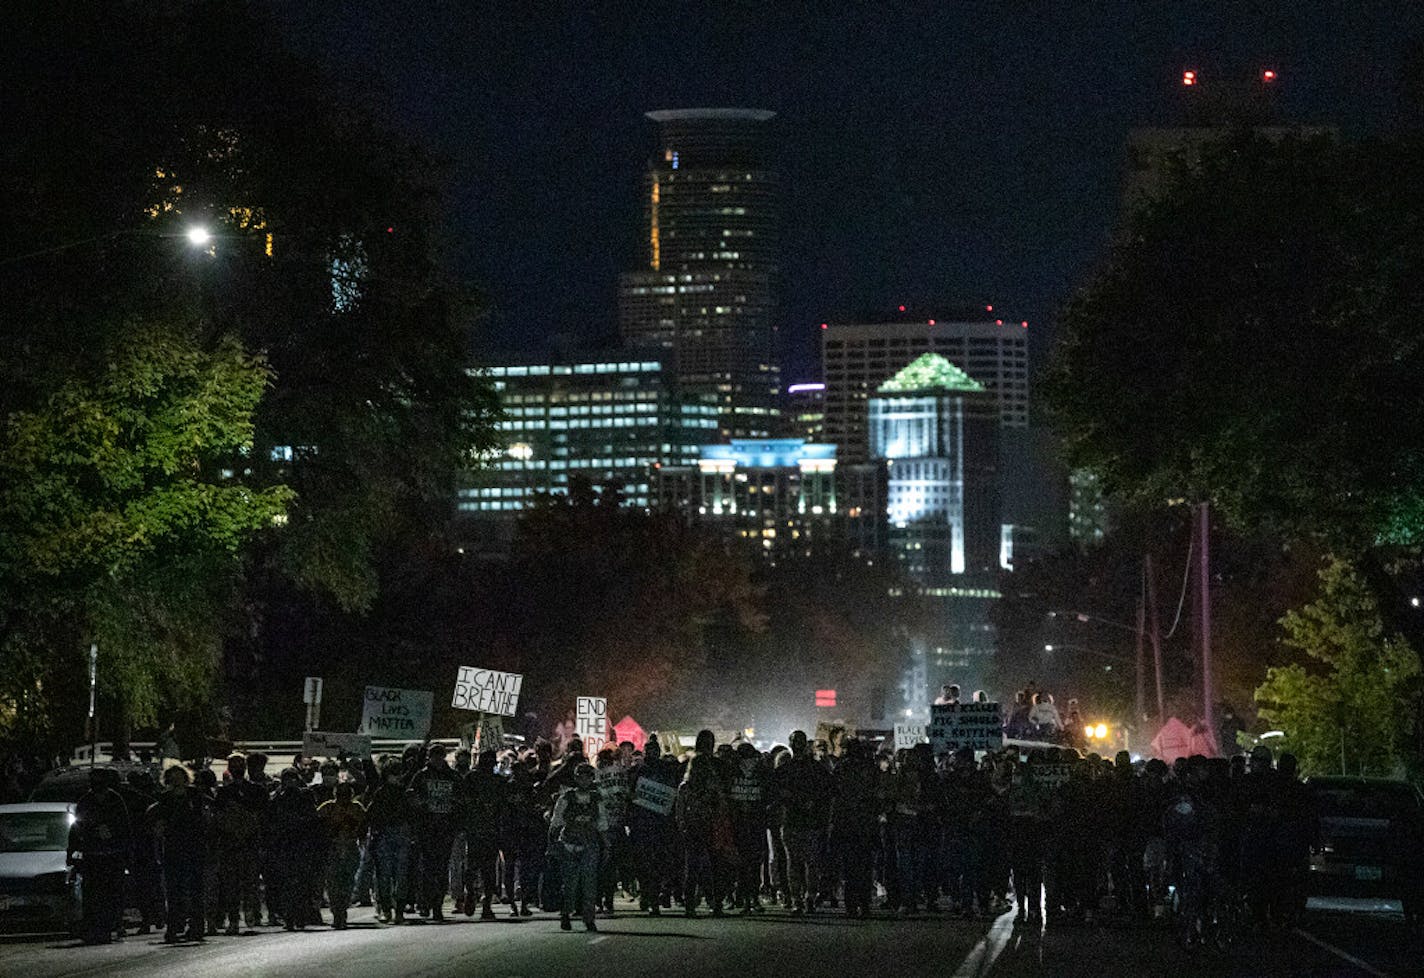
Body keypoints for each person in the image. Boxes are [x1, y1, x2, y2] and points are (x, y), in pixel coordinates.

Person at [148, 765, 211, 943]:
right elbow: (158, 822)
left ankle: (196, 926)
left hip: (194, 848)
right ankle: (174, 926)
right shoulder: (165, 799)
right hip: (173, 849)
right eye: (172, 777)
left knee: (195, 890)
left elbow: (202, 819)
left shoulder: (195, 796)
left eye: (179, 776)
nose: (176, 781)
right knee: (174, 890)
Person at [69, 768, 132, 944]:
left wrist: (113, 834)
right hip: (93, 855)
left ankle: (113, 924)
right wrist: (91, 834)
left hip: (113, 854)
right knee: (93, 893)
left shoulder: (115, 800)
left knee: (113, 892)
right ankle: (94, 928)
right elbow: (78, 827)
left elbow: (124, 826)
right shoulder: (85, 801)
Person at [774, 730, 832, 915]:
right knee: (809, 862)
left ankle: (800, 899)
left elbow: (775, 793)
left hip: (795, 821)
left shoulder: (785, 769)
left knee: (796, 862)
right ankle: (807, 898)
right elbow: (828, 792)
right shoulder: (815, 768)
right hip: (806, 821)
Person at [549, 762, 607, 932]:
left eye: (587, 776)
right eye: (581, 776)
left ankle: (589, 919)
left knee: (589, 884)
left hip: (590, 844)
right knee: (570, 884)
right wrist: (552, 845)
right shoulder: (566, 798)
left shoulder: (597, 798)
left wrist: (606, 844)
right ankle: (566, 913)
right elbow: (556, 822)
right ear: (576, 778)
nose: (584, 780)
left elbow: (602, 823)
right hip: (569, 845)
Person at [407, 744, 460, 921]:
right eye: (434, 756)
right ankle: (425, 903)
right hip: (426, 828)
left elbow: (461, 798)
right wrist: (420, 805)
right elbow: (411, 796)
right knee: (427, 868)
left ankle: (437, 905)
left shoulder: (452, 776)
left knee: (442, 867)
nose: (437, 759)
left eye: (439, 756)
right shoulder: (422, 776)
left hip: (445, 828)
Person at [213, 754, 265, 934]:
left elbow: (262, 815)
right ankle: (233, 918)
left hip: (250, 842)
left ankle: (251, 912)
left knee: (250, 882)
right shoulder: (223, 792)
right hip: (230, 843)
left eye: (240, 764)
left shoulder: (256, 790)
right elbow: (219, 818)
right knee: (231, 884)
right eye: (233, 764)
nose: (237, 767)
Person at [267, 766, 319, 930]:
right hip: (284, 844)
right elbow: (272, 819)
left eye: (292, 779)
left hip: (302, 843)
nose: (290, 782)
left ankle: (301, 915)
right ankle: (289, 917)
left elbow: (312, 818)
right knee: (286, 883)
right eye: (286, 779)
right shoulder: (278, 797)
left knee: (302, 882)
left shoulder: (305, 795)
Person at [676, 754, 728, 918]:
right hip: (695, 829)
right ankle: (699, 903)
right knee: (698, 869)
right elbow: (680, 809)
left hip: (706, 828)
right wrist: (683, 826)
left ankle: (706, 902)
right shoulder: (686, 787)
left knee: (705, 869)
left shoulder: (708, 787)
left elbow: (720, 806)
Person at [364, 757, 413, 924]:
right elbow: (372, 815)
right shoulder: (381, 792)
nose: (398, 776)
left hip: (399, 833)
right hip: (385, 834)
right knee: (385, 874)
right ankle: (387, 909)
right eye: (394, 773)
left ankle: (397, 910)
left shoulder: (402, 792)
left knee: (400, 874)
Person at [459, 749, 502, 920]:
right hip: (478, 829)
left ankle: (483, 901)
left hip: (485, 830)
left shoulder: (493, 781)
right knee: (481, 868)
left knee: (483, 868)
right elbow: (464, 801)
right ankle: (476, 896)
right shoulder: (473, 778)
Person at [317, 781, 367, 929]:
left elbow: (364, 825)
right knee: (333, 883)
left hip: (350, 847)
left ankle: (342, 910)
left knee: (346, 882)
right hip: (333, 848)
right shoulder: (328, 808)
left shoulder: (356, 808)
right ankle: (337, 912)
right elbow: (318, 825)